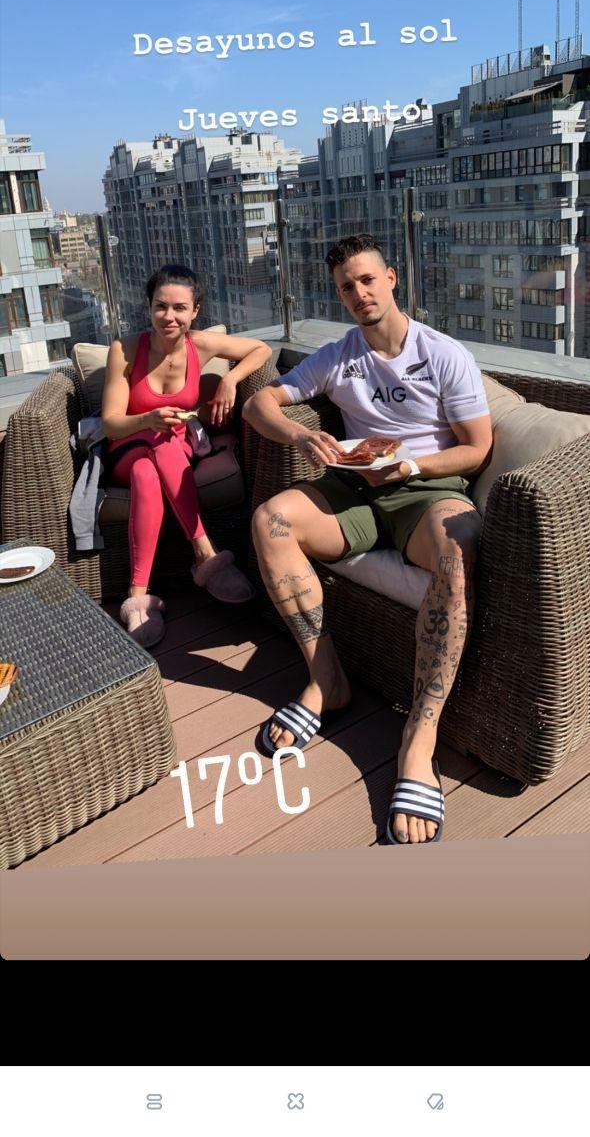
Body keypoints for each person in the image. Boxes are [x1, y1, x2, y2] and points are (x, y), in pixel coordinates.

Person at [243, 234, 492, 845]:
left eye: (367, 280)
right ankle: (326, 679)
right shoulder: (338, 356)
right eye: (346, 287)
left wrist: (410, 466)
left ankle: (418, 740)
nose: (358, 293)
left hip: (425, 489)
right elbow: (259, 403)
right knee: (271, 519)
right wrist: (300, 437)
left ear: (391, 279)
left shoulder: (443, 354)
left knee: (459, 546)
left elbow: (477, 447)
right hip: (354, 489)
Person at [101, 263, 271, 646]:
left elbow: (261, 349)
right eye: (161, 306)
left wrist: (230, 379)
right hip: (127, 444)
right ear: (149, 307)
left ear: (195, 311)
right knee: (152, 448)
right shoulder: (125, 350)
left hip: (174, 451)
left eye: (180, 308)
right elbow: (111, 424)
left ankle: (137, 595)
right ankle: (205, 554)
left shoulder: (202, 344)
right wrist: (146, 419)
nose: (169, 317)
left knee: (148, 472)